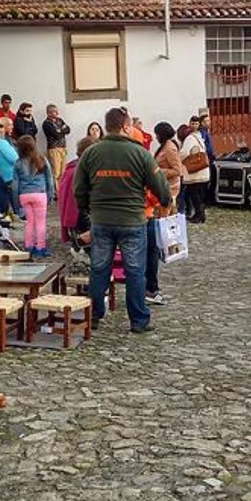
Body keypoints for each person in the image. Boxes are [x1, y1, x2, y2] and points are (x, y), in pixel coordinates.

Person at [74, 107, 171, 333]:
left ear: (107, 126)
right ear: (126, 126)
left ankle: (94, 315)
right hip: (132, 221)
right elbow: (161, 188)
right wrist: (165, 200)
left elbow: (78, 188)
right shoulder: (140, 153)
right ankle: (138, 320)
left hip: (101, 220)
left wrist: (89, 210)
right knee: (135, 271)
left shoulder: (90, 153)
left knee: (99, 269)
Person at [147, 122, 183, 306]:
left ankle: (164, 247)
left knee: (162, 224)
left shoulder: (170, 148)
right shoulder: (164, 146)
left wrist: (157, 171)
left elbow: (178, 170)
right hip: (161, 189)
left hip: (169, 189)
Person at [12, 135, 54, 257]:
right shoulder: (42, 160)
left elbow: (15, 184)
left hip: (24, 195)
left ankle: (28, 246)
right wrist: (50, 195)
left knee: (30, 222)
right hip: (40, 194)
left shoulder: (18, 163)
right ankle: (40, 247)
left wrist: (16, 202)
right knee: (40, 222)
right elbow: (49, 179)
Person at [59, 136, 97, 250]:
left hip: (77, 216)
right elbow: (80, 199)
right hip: (81, 217)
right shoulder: (80, 171)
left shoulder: (73, 168)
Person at [180, 122, 210, 224]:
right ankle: (200, 214)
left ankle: (199, 214)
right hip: (203, 171)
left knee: (193, 193)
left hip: (195, 172)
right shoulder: (199, 138)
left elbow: (184, 153)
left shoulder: (189, 139)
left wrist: (178, 159)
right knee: (198, 194)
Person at [0, 120, 22, 218]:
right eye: (1, 132)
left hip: (1, 176)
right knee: (15, 204)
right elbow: (14, 158)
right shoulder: (2, 143)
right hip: (10, 175)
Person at [42, 104, 71, 183]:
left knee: (63, 171)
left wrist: (60, 131)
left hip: (63, 147)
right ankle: (57, 193)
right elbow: (56, 135)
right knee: (56, 173)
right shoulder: (46, 124)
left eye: (56, 111)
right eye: (54, 112)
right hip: (54, 149)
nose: (57, 113)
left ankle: (62, 190)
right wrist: (62, 130)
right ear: (49, 113)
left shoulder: (60, 120)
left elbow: (68, 130)